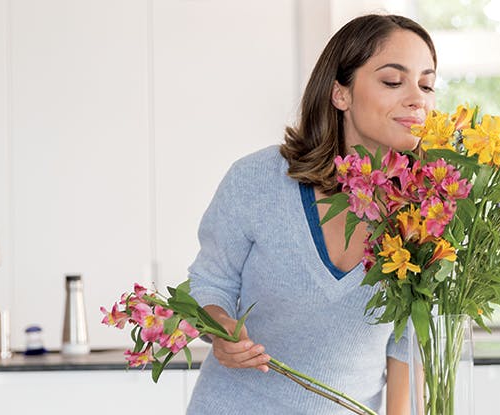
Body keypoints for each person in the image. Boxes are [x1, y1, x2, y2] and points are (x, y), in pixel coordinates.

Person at [185, 14, 438, 415]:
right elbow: (209, 283)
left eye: (426, 84)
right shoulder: (256, 180)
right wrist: (220, 330)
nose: (417, 99)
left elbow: (409, 346)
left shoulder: (428, 211)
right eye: (393, 81)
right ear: (341, 94)